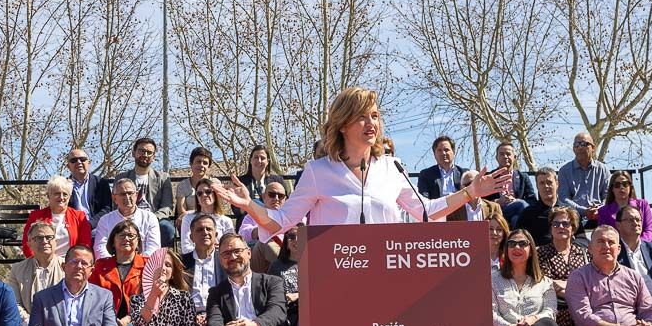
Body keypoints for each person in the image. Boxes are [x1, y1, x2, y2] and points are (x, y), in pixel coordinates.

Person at [214, 87, 510, 236]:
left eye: (375, 116)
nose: (372, 123)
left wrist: (470, 192)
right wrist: (248, 205)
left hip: (386, 278)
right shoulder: (318, 172)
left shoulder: (392, 167)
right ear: (342, 125)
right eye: (362, 117)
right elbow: (280, 221)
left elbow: (427, 212)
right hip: (335, 284)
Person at [88, 220, 148, 326]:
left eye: (131, 236)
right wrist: (110, 319)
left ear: (138, 241)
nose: (126, 239)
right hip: (105, 319)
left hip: (138, 320)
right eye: (121, 235)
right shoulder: (100, 266)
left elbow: (152, 299)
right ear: (113, 241)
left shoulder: (147, 266)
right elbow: (91, 299)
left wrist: (130, 318)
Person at [116, 137, 177, 248]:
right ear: (133, 153)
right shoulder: (122, 177)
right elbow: (116, 203)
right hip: (127, 217)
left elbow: (167, 207)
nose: (145, 154)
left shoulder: (163, 178)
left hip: (155, 218)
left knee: (167, 228)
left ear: (153, 157)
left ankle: (161, 260)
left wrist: (152, 218)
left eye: (149, 152)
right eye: (142, 151)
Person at [5, 221, 63, 326]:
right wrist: (31, 324)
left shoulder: (67, 267)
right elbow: (15, 304)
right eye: (39, 238)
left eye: (49, 237)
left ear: (56, 241)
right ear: (29, 244)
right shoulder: (17, 269)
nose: (45, 241)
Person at [21, 176, 92, 259]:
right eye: (57, 194)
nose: (61, 197)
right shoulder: (36, 216)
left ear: (69, 196)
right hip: (42, 262)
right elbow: (27, 243)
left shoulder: (79, 217)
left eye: (65, 194)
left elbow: (84, 246)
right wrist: (36, 262)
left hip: (70, 264)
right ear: (48, 196)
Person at [93, 178, 160, 260]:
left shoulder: (150, 218)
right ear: (114, 198)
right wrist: (112, 265)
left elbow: (153, 248)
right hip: (111, 268)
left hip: (142, 266)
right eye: (122, 194)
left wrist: (138, 264)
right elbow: (100, 248)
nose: (127, 197)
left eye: (130, 193)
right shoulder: (105, 220)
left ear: (136, 195)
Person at [267, 225, 302, 326]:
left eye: (300, 236)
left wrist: (297, 295)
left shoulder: (312, 261)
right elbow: (269, 292)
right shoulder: (276, 266)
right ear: (286, 242)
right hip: (283, 312)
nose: (295, 240)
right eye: (291, 236)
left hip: (305, 312)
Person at [556, 132, 609, 226]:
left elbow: (608, 196)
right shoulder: (564, 171)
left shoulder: (603, 169)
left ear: (593, 148)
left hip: (601, 217)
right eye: (577, 144)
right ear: (573, 149)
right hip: (574, 219)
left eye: (584, 144)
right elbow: (563, 199)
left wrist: (600, 209)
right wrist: (583, 211)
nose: (580, 147)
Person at [181, 213, 224, 325]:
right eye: (199, 230)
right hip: (187, 318)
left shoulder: (226, 261)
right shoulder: (181, 263)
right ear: (191, 237)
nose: (205, 232)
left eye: (209, 229)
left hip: (220, 317)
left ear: (216, 234)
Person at [239, 181, 289, 272]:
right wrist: (265, 228)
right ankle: (288, 271)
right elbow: (241, 235)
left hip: (287, 253)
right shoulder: (252, 216)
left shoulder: (291, 218)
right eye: (272, 195)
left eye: (280, 196)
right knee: (264, 241)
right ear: (264, 197)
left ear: (285, 199)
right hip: (259, 261)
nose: (276, 199)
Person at [487, 142, 538, 227]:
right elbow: (482, 201)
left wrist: (515, 201)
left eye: (508, 154)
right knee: (520, 205)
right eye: (502, 154)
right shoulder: (489, 177)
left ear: (514, 157)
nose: (505, 157)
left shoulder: (523, 177)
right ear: (497, 158)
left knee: (516, 218)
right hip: (497, 212)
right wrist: (498, 201)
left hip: (518, 212)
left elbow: (532, 200)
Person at [595, 170, 652, 241]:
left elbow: (649, 231)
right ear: (612, 189)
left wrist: (638, 245)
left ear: (630, 187)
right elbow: (604, 236)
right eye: (617, 185)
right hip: (617, 249)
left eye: (625, 184)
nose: (621, 187)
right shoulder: (603, 212)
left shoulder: (643, 205)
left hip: (641, 246)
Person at [179, 178, 236, 247]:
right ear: (197, 199)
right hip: (195, 256)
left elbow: (230, 246)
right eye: (199, 193)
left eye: (208, 192)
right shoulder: (188, 218)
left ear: (215, 195)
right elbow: (186, 247)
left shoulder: (226, 221)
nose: (204, 195)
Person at [65, 148, 112, 228]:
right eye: (74, 160)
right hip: (71, 228)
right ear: (68, 166)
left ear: (89, 163)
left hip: (97, 228)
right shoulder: (63, 185)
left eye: (82, 159)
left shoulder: (101, 183)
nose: (79, 162)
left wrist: (90, 224)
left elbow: (107, 209)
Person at [517, 167, 560, 247]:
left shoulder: (569, 211)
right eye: (542, 183)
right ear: (537, 186)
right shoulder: (528, 214)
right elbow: (518, 240)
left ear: (557, 184)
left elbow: (581, 239)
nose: (546, 186)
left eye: (549, 182)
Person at [174, 146, 214, 227]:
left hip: (212, 220)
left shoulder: (215, 184)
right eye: (198, 162)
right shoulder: (183, 185)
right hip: (189, 222)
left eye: (205, 163)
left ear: (209, 167)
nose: (201, 165)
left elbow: (218, 208)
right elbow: (182, 212)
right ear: (191, 164)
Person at [417, 136, 466, 200]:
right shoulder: (426, 174)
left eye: (446, 150)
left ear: (454, 152)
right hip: (438, 208)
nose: (443, 153)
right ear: (434, 154)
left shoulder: (464, 174)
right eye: (439, 150)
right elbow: (424, 199)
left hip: (461, 207)